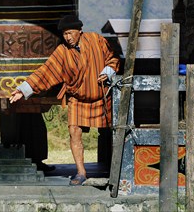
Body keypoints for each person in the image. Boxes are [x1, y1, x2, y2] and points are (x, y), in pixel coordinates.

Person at [9, 14, 120, 186]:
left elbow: (113, 58)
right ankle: (81, 172)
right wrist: (23, 90)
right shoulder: (62, 52)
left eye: (70, 33)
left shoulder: (96, 40)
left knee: (110, 132)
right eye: (65, 34)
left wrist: (108, 71)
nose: (68, 37)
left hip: (101, 96)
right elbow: (46, 71)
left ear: (80, 31)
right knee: (74, 132)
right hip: (77, 98)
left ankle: (117, 169)